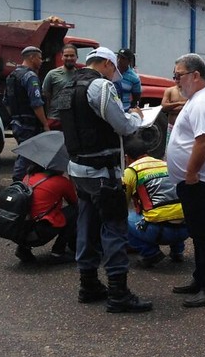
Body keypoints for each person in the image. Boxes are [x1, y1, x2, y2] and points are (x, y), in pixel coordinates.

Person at [63, 46, 152, 313]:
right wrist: (136, 117)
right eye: (114, 70)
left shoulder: (69, 85)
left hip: (78, 169)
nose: (115, 76)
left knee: (86, 225)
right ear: (107, 65)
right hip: (103, 172)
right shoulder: (100, 86)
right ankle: (118, 293)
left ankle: (88, 285)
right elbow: (122, 126)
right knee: (114, 228)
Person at [166, 53, 205, 308]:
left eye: (178, 75)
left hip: (199, 182)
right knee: (199, 232)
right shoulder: (197, 99)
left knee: (203, 235)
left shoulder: (202, 103)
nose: (176, 81)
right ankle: (200, 278)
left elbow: (203, 141)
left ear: (195, 75)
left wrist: (190, 173)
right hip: (197, 182)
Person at [123, 134, 188, 268]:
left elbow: (121, 204)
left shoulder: (131, 170)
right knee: (174, 209)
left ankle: (150, 253)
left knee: (121, 220)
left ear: (126, 157)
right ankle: (177, 251)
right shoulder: (165, 164)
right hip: (185, 229)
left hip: (159, 232)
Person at [14, 164, 78, 263]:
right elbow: (74, 201)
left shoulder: (28, 176)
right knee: (75, 211)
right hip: (40, 233)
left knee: (31, 213)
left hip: (18, 232)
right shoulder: (61, 181)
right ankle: (58, 251)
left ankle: (23, 249)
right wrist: (71, 180)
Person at [5, 46, 51, 181]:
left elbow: (6, 102)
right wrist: (45, 124)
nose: (41, 61)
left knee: (28, 154)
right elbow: (36, 103)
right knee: (27, 156)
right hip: (30, 125)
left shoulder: (11, 76)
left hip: (17, 124)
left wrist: (16, 117)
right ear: (32, 58)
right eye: (40, 58)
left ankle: (26, 183)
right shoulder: (30, 77)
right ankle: (17, 185)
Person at [42, 43, 79, 130]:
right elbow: (46, 96)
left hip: (73, 120)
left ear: (77, 57)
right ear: (62, 56)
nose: (69, 58)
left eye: (72, 55)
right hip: (55, 119)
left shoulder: (80, 75)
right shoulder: (52, 74)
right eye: (66, 55)